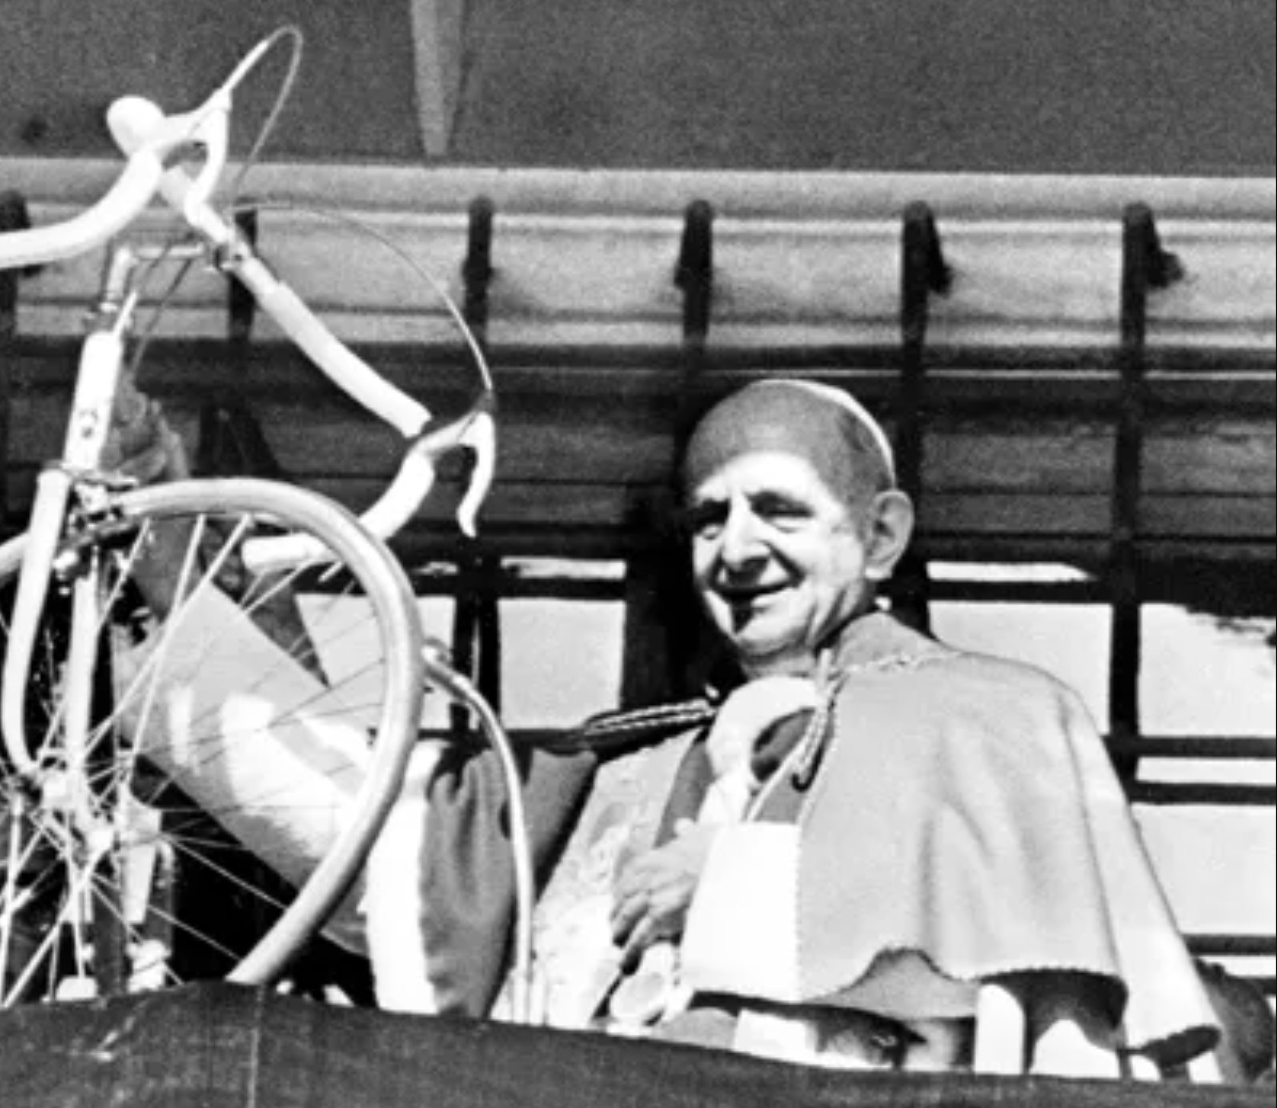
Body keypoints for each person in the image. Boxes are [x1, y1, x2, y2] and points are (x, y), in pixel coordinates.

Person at [366, 379, 1228, 1078]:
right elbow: (365, 842)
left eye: (780, 510)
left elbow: (1033, 969)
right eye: (710, 520)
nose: (736, 551)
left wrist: (728, 884)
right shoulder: (627, 757)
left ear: (880, 535)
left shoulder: (995, 713)